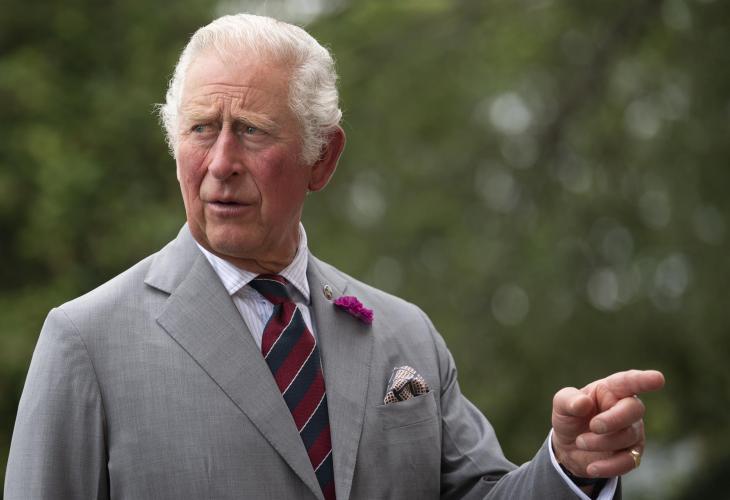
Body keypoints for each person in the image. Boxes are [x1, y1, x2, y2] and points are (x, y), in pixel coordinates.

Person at [4, 13, 664, 500]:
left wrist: (570, 468)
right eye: (201, 129)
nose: (221, 163)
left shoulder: (405, 336)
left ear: (323, 157)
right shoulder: (86, 342)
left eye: (252, 132)